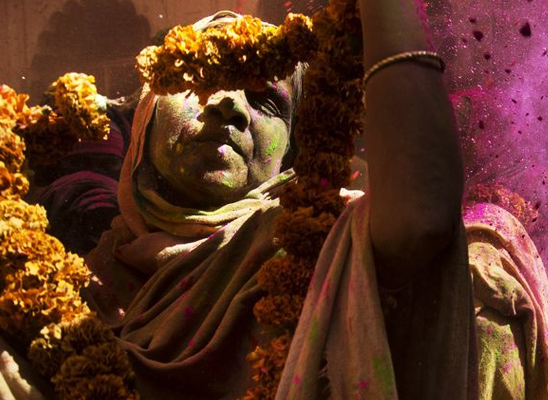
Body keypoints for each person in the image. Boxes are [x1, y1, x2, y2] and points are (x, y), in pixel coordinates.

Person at [66, 0, 470, 398]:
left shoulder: (324, 238)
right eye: (203, 79)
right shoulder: (84, 284)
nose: (229, 104)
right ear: (144, 119)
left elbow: (421, 217)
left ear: (290, 156)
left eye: (265, 101)